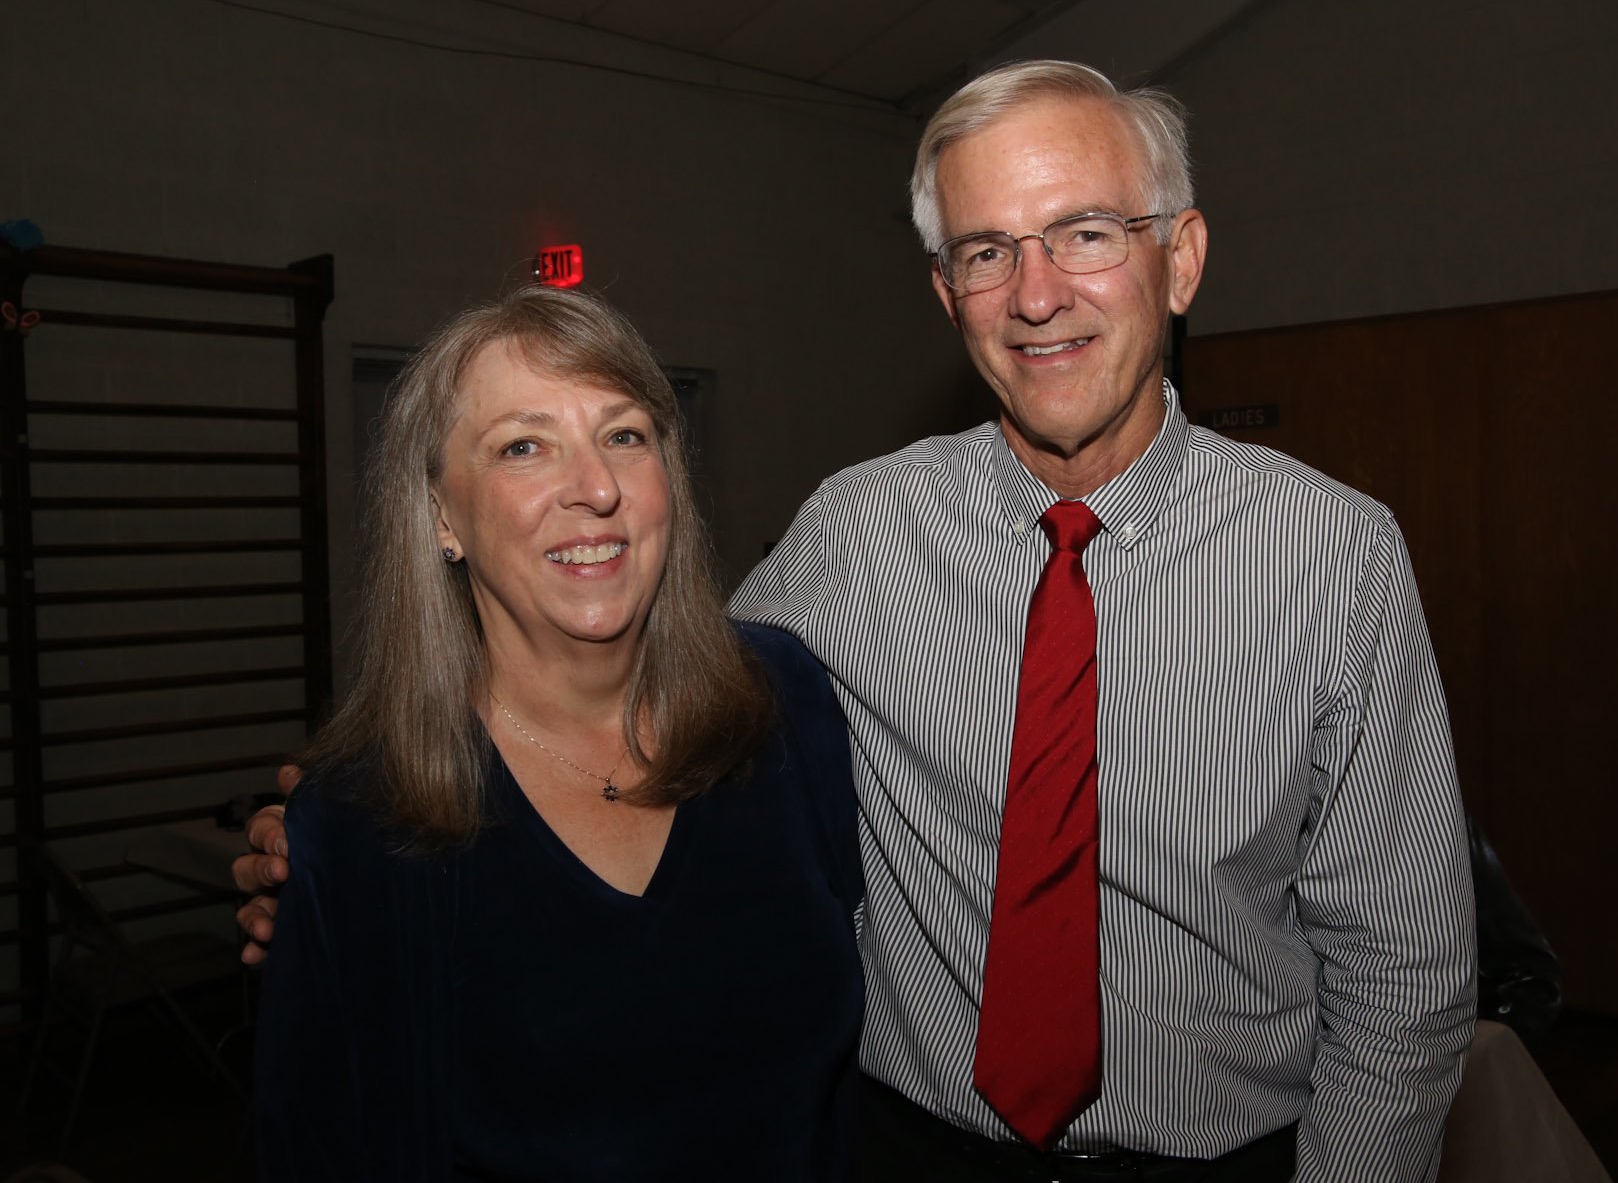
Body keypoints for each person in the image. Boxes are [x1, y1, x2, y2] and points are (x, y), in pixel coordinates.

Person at [241, 61, 1474, 1182]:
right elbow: (651, 698)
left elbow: (1405, 974)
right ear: (948, 293)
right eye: (987, 252)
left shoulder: (1336, 559)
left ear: (1182, 257)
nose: (1037, 294)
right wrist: (343, 853)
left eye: (1087, 233)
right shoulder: (857, 533)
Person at [249, 286, 863, 1181]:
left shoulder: (784, 702)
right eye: (523, 447)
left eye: (624, 436)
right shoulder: (360, 819)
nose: (596, 488)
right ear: (441, 516)